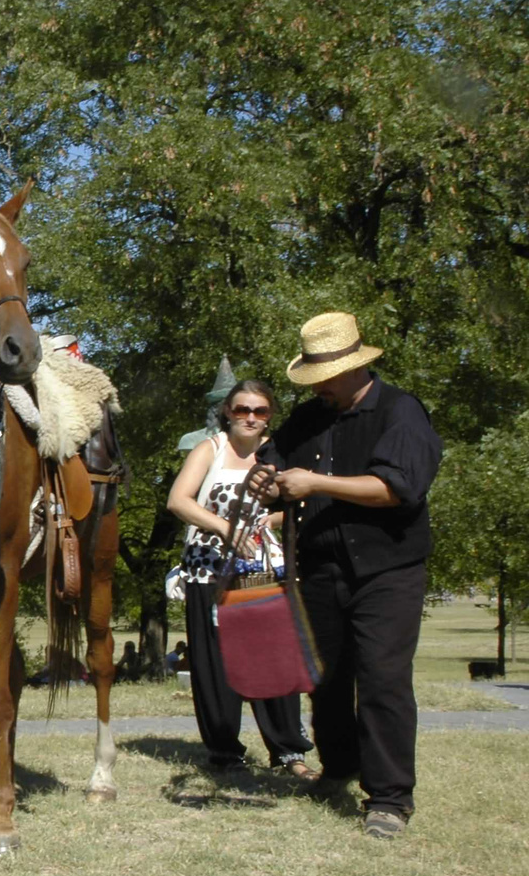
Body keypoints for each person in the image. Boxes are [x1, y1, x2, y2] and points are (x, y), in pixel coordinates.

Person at [251, 312, 442, 839]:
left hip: (387, 568)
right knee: (326, 678)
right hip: (320, 566)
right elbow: (271, 464)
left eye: (325, 380)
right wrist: (268, 480)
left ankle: (389, 798)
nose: (319, 390)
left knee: (382, 680)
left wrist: (317, 482)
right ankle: (339, 767)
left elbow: (396, 489)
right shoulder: (310, 418)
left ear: (355, 369)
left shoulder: (401, 413)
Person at [167, 379, 317, 780]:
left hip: (266, 568)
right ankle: (224, 752)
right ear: (228, 413)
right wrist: (222, 527)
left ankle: (288, 752)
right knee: (214, 662)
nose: (250, 418)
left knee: (273, 659)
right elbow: (178, 500)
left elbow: (303, 506)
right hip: (209, 569)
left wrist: (273, 519)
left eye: (260, 411)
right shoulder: (210, 449)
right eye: (241, 410)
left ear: (270, 415)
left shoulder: (279, 454)